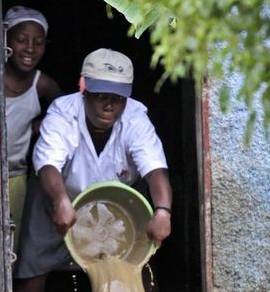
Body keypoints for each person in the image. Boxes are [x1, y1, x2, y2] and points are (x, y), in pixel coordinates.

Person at [14, 48, 172, 292]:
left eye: (118, 98)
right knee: (33, 269)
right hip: (59, 196)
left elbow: (155, 170)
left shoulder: (136, 117)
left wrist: (162, 211)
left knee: (135, 266)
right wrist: (60, 201)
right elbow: (48, 165)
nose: (109, 105)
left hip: (119, 206)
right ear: (83, 87)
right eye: (100, 96)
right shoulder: (63, 113)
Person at [3, 6, 62, 256]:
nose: (29, 48)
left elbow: (64, 116)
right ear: (5, 40)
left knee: (9, 248)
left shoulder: (43, 85)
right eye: (21, 40)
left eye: (38, 42)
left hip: (16, 176)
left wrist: (35, 127)